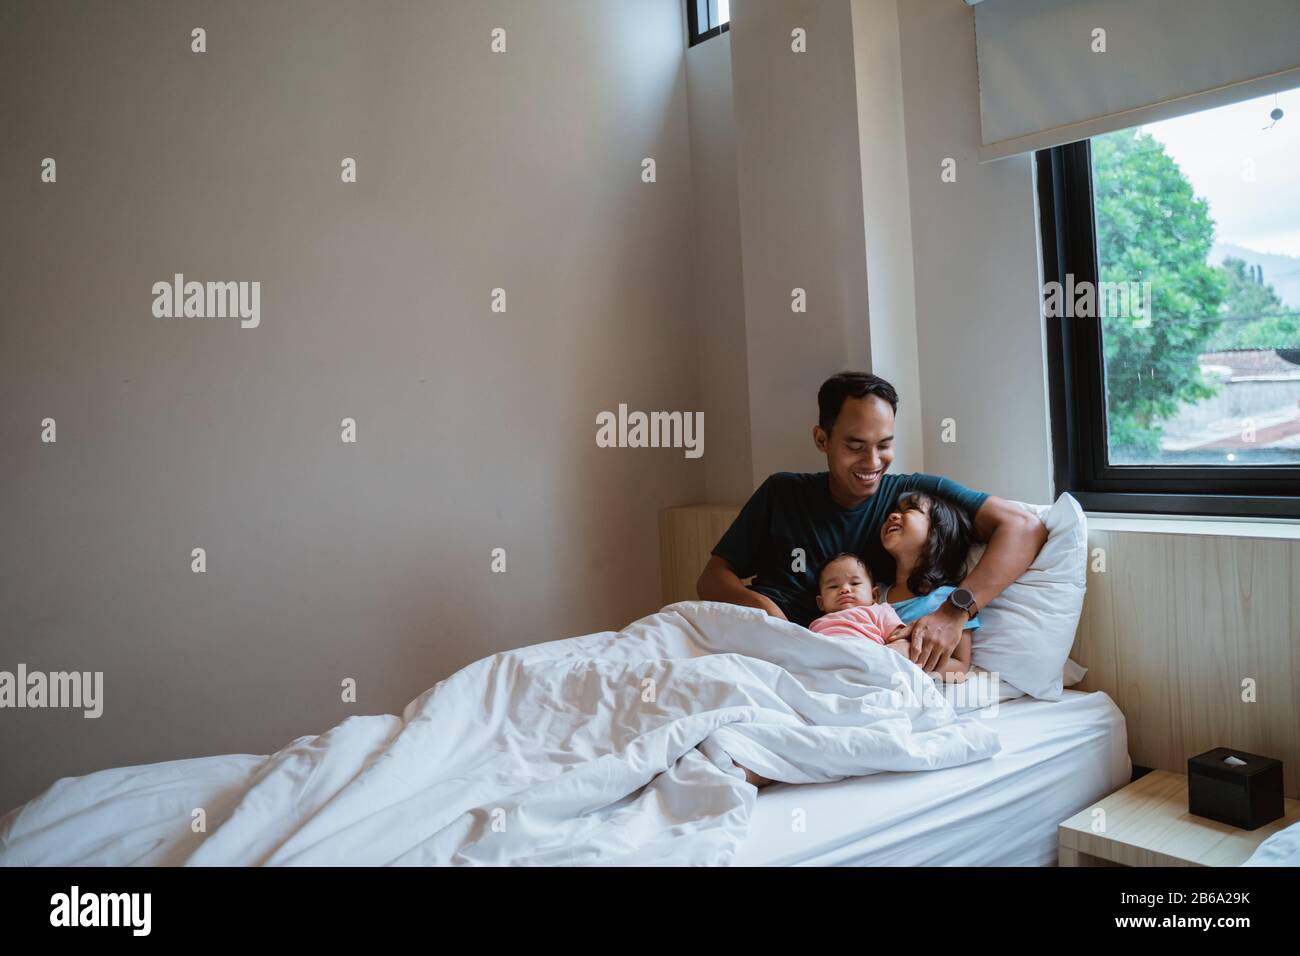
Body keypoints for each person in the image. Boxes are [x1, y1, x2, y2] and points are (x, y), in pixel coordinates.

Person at [697, 371, 1045, 678]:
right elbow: (712, 577)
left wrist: (955, 609)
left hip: (826, 666)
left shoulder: (913, 499)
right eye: (855, 446)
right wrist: (764, 613)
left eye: (885, 445)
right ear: (822, 439)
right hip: (755, 642)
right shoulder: (782, 492)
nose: (873, 462)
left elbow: (1024, 527)